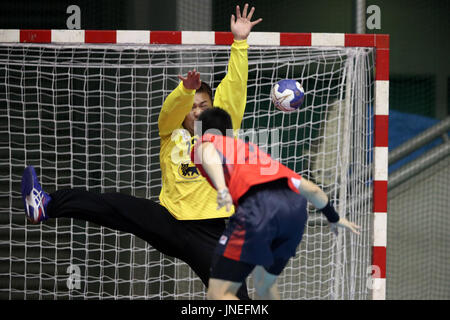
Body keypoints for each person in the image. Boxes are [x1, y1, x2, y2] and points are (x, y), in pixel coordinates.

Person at [20, 4, 262, 300]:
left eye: (203, 106)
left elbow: (234, 89)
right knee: (111, 205)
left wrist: (239, 42)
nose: (197, 112)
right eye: (192, 108)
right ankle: (45, 205)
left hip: (209, 232)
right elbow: (169, 112)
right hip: (169, 220)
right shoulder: (171, 133)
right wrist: (185, 91)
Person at [191, 108, 361, 300]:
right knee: (264, 285)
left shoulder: (207, 143)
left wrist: (222, 188)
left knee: (217, 294)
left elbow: (207, 152)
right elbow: (312, 189)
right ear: (229, 129)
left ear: (201, 132)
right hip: (295, 211)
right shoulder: (255, 154)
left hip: (258, 206)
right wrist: (334, 217)